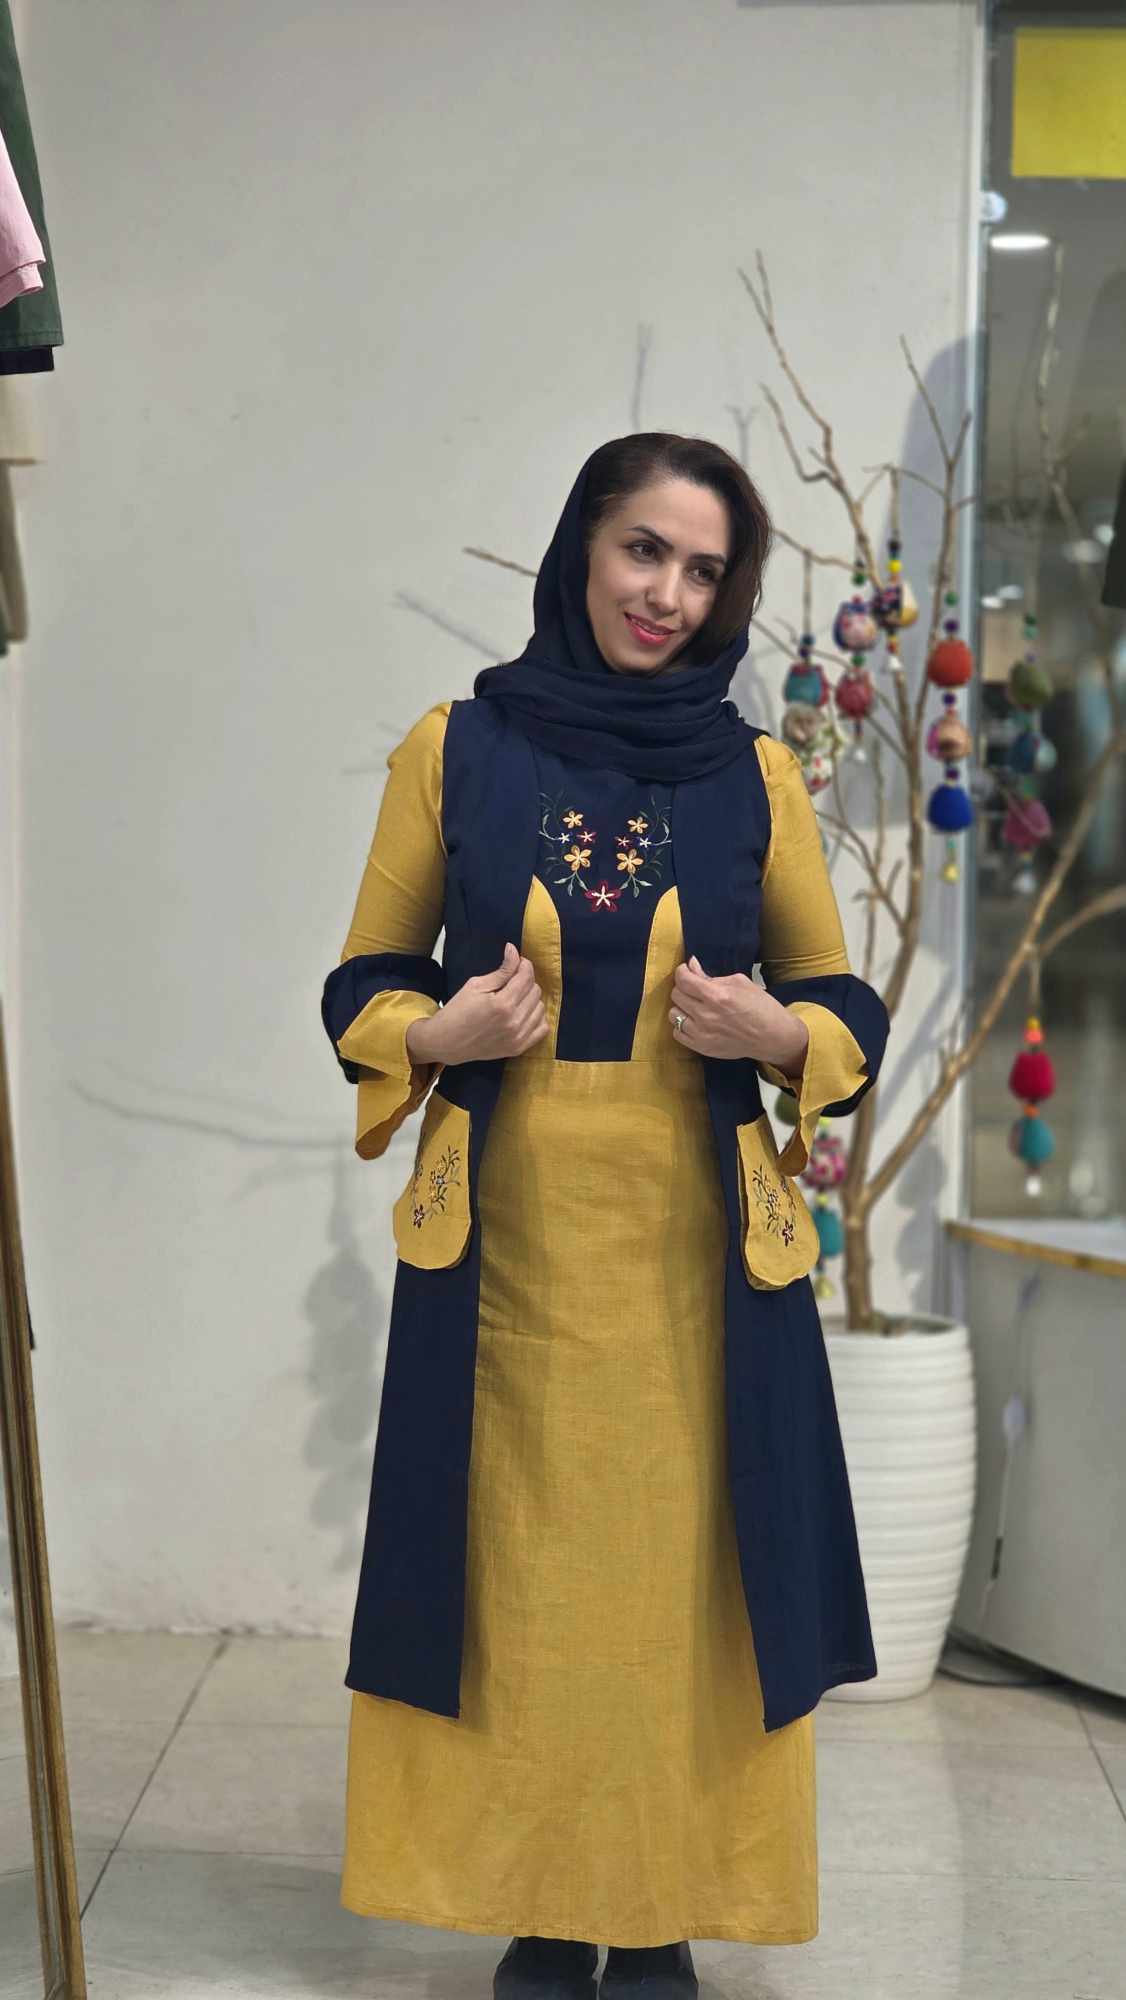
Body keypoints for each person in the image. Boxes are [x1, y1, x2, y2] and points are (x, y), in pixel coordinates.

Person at [321, 433, 889, 2000]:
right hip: (503, 1253)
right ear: (583, 544)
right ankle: (536, 1904)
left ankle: (654, 1912)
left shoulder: (753, 777)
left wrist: (777, 1035)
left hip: (694, 1261)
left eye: (704, 571)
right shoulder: (456, 751)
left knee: (678, 1595)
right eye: (645, 550)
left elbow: (839, 998)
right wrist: (437, 1032)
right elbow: (363, 977)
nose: (668, 595)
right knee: (516, 1583)